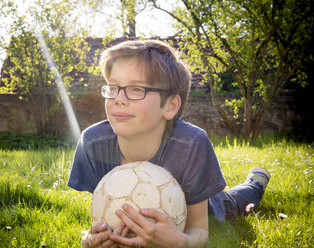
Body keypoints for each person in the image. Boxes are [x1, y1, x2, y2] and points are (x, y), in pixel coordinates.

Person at [67, 39, 271, 247]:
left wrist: (179, 242)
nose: (118, 98)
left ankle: (256, 181)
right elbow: (103, 214)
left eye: (136, 89)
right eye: (113, 87)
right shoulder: (93, 143)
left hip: (207, 208)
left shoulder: (191, 144)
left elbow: (199, 231)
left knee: (236, 202)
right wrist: (91, 239)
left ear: (170, 105)